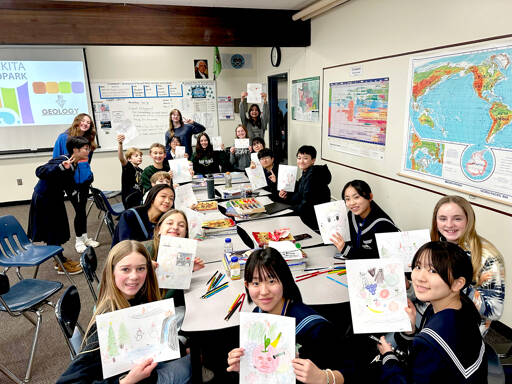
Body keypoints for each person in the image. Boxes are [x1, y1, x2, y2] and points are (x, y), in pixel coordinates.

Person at [57, 240, 192, 384]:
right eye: (125, 269)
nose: (134, 276)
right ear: (112, 271)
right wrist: (127, 381)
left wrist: (182, 350)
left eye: (140, 268)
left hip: (148, 362)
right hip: (140, 379)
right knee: (194, 362)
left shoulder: (137, 296)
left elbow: (152, 340)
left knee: (188, 340)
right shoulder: (107, 321)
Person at [226, 248, 353, 383]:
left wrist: (323, 377)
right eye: (256, 283)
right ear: (247, 285)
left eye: (271, 281)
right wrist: (245, 367)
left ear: (284, 282)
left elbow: (353, 371)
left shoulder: (315, 328)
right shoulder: (257, 315)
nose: (263, 292)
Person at [378, 241, 487, 383]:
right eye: (418, 267)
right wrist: (411, 332)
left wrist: (388, 357)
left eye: (433, 271)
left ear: (457, 283)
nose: (419, 278)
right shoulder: (463, 306)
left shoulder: (433, 336)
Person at [430, 195, 505, 334]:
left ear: (468, 220)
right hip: (432, 316)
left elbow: (494, 312)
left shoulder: (488, 257)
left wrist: (458, 284)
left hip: (465, 330)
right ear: (436, 221)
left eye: (457, 218)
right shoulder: (436, 245)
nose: (449, 224)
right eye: (443, 218)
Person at [28, 136, 91, 275]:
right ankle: (59, 262)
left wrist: (76, 195)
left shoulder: (74, 164)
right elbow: (40, 171)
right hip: (44, 198)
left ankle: (59, 258)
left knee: (58, 229)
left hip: (54, 198)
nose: (88, 151)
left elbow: (68, 184)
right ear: (75, 150)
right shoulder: (62, 159)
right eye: (86, 149)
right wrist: (61, 167)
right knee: (53, 230)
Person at [53, 113, 99, 253]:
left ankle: (84, 237)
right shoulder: (64, 137)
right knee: (79, 210)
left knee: (82, 209)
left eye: (89, 122)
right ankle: (78, 240)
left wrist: (87, 174)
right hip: (70, 181)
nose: (86, 124)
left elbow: (87, 160)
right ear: (77, 122)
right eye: (84, 121)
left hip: (84, 179)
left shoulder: (87, 139)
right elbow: (56, 159)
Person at [331, 179, 399, 259]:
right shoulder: (351, 215)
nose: (352, 203)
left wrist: (346, 250)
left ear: (370, 197)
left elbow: (380, 257)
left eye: (356, 197)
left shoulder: (383, 224)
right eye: (347, 199)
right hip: (352, 262)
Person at [145, 209, 204, 299]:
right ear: (158, 229)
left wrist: (187, 271)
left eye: (181, 225)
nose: (175, 227)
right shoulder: (144, 250)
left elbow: (172, 292)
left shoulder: (183, 253)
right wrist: (143, 269)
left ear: (185, 233)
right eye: (169, 223)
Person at [279, 145, 331, 230]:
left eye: (305, 158)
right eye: (299, 158)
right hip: (305, 214)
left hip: (312, 220)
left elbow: (307, 205)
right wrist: (286, 195)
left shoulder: (314, 176)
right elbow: (299, 194)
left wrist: (289, 209)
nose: (301, 161)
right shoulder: (306, 173)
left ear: (313, 160)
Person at [117, 134, 143, 209]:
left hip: (138, 198)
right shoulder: (128, 167)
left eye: (140, 156)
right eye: (136, 156)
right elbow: (121, 158)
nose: (140, 157)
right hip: (129, 199)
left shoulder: (141, 170)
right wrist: (120, 144)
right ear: (129, 159)